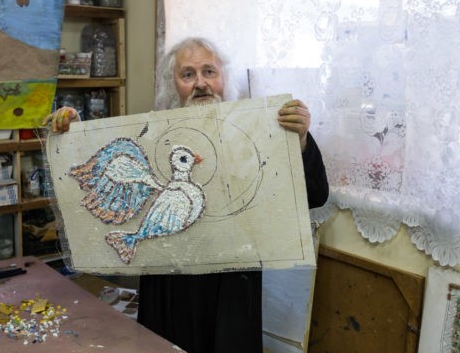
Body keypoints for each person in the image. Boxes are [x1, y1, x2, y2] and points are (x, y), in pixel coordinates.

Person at [44, 37, 329, 353]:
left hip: (232, 287)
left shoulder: (255, 134)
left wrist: (301, 140)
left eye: (209, 71)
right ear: (172, 85)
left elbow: (315, 195)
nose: (201, 83)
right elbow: (95, 178)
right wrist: (74, 136)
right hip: (168, 285)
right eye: (188, 74)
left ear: (223, 79)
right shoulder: (152, 137)